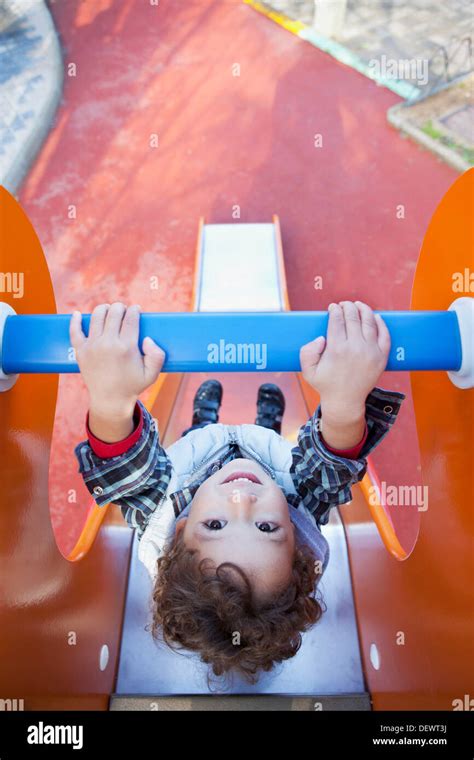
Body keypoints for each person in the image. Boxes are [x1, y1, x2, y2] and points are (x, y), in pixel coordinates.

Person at [71, 301, 404, 681]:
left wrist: (111, 399)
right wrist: (345, 402)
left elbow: (122, 468)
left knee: (193, 435)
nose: (241, 500)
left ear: (180, 532)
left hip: (203, 448)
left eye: (214, 524)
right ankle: (268, 422)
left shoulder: (158, 506)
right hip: (263, 448)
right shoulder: (304, 502)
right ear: (295, 537)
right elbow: (332, 462)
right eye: (266, 527)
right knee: (281, 446)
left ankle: (203, 418)